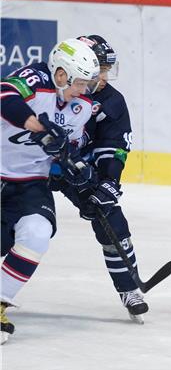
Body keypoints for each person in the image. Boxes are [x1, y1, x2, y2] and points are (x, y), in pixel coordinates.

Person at [1, 38, 100, 344]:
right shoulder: (35, 79)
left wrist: (75, 168)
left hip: (31, 183)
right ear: (60, 75)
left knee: (38, 233)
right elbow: (3, 94)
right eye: (80, 83)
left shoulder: (81, 106)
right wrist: (38, 127)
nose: (83, 90)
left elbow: (68, 148)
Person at [48, 35, 148, 324]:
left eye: (106, 70)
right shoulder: (48, 90)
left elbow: (114, 145)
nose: (103, 78)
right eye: (98, 70)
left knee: (111, 217)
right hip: (36, 165)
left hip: (78, 168)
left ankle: (130, 289)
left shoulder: (111, 101)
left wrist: (108, 182)